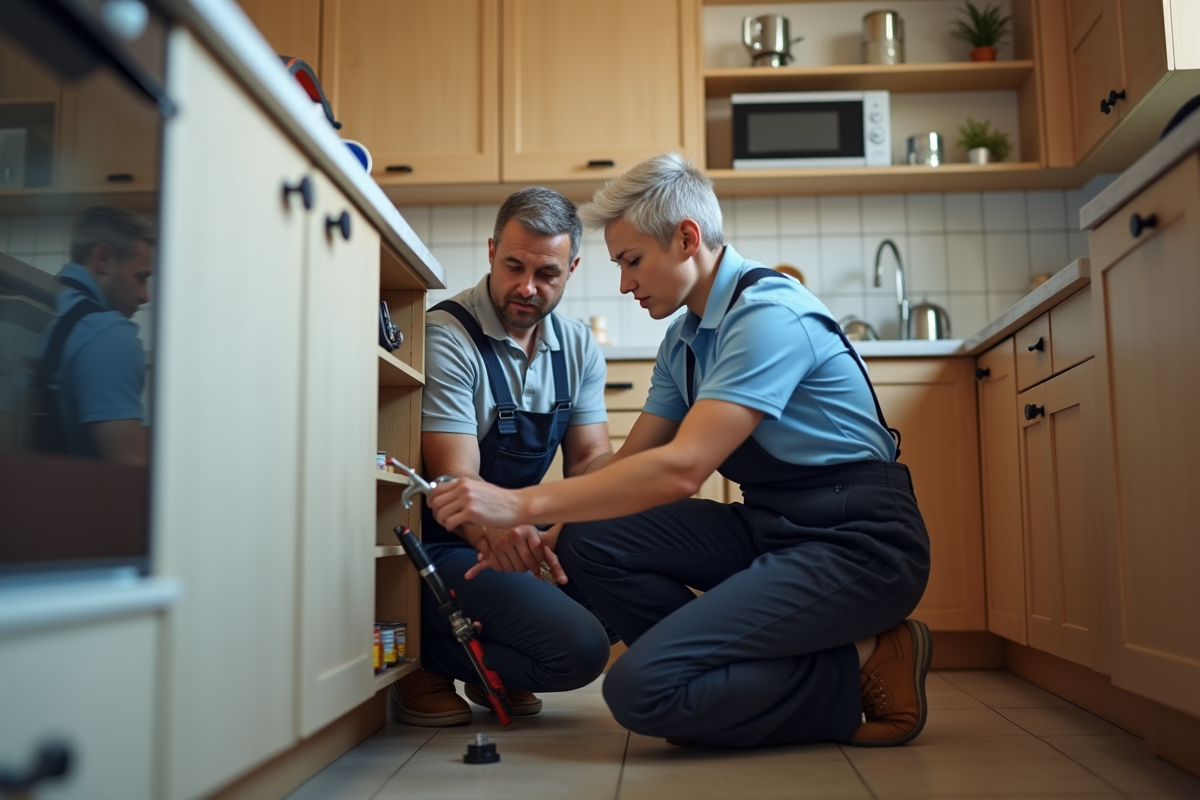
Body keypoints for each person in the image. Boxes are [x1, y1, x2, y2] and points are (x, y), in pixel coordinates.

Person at [428, 153, 933, 748]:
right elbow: (629, 465)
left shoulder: (768, 315)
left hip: (859, 541)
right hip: (773, 527)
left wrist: (516, 507)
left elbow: (680, 470)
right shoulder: (685, 340)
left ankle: (864, 660)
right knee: (595, 538)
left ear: (687, 239)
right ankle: (709, 676)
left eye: (632, 261)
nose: (624, 283)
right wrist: (556, 527)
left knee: (641, 692)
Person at [392, 187, 616, 726]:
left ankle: (497, 659)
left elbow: (589, 462)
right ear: (491, 251)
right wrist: (509, 534)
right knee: (580, 651)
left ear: (573, 269)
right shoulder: (449, 335)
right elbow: (455, 476)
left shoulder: (578, 346)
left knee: (628, 556)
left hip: (524, 539)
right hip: (446, 547)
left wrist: (645, 465)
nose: (526, 287)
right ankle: (424, 659)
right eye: (513, 265)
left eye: (547, 274)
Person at [29, 205, 155, 464]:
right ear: (103, 259)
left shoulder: (52, 319)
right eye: (140, 277)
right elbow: (130, 474)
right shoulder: (108, 334)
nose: (145, 296)